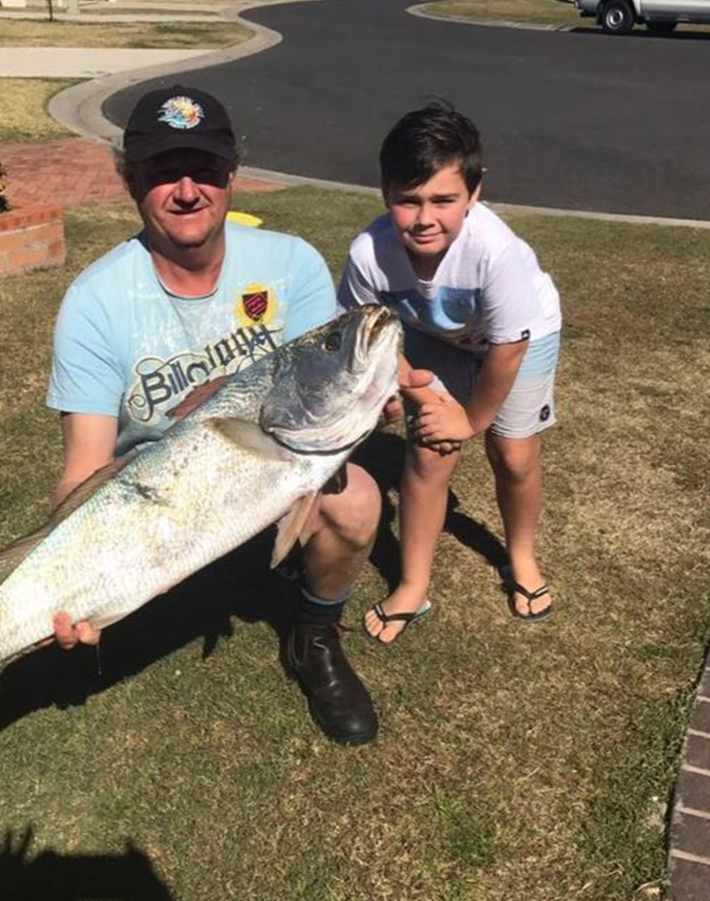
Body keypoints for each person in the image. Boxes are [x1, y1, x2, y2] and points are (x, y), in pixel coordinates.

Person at [43, 85, 383, 745]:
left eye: (203, 169)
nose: (187, 189)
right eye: (163, 172)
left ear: (232, 174)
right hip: (161, 511)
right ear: (128, 180)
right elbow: (83, 468)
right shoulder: (94, 303)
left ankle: (313, 636)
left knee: (358, 500)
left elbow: (328, 393)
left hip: (275, 480)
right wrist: (66, 568)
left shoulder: (291, 265)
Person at [338, 101, 562, 643]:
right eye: (407, 201)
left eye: (444, 200)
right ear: (385, 192)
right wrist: (411, 386)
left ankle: (522, 558)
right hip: (435, 339)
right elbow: (368, 332)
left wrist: (470, 419)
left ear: (475, 191)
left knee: (512, 454)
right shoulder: (369, 254)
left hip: (518, 339)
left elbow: (508, 347)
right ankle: (413, 585)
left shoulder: (495, 251)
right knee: (428, 453)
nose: (424, 219)